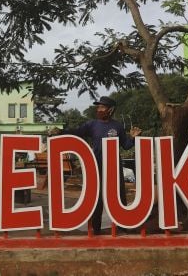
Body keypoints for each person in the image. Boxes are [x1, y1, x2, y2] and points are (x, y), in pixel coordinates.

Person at [49, 96, 141, 234]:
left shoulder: (117, 126)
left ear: (110, 110)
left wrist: (133, 138)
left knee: (120, 196)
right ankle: (96, 228)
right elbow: (77, 132)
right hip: (96, 166)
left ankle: (123, 224)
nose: (99, 110)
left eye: (102, 107)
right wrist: (61, 132)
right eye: (98, 107)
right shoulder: (92, 125)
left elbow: (126, 146)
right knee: (97, 198)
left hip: (114, 167)